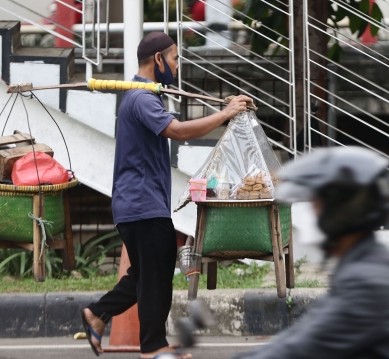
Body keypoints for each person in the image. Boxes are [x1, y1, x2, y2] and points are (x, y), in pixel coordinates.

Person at [79, 32, 253, 359]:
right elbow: (179, 131)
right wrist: (225, 113)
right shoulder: (142, 99)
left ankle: (98, 314)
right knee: (157, 274)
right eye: (174, 59)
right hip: (143, 205)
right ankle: (153, 347)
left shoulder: (142, 96)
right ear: (158, 59)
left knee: (145, 274)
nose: (176, 66)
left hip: (136, 205)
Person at [233, 146, 389, 359]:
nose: (313, 211)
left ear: (343, 210)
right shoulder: (363, 265)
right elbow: (299, 335)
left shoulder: (369, 282)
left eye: (318, 203)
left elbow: (299, 349)